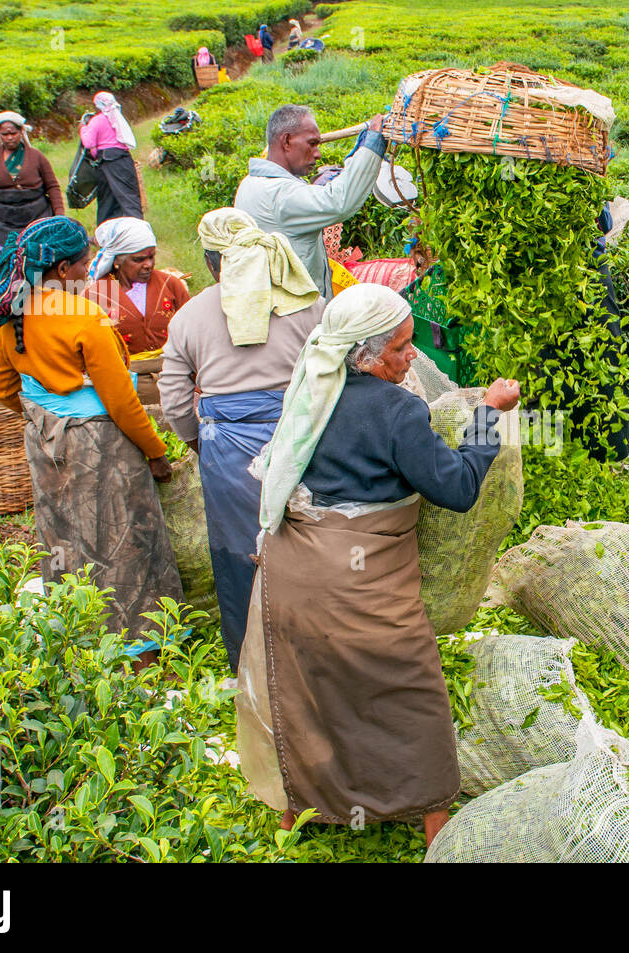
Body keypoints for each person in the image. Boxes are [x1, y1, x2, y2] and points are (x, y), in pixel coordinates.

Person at [238, 284, 520, 845]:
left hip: (291, 573)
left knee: (309, 689)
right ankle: (433, 821)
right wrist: (488, 415)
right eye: (401, 348)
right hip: (359, 581)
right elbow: (458, 488)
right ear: (363, 354)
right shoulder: (398, 410)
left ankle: (297, 811)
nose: (413, 356)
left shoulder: (309, 390)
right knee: (409, 692)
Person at [0, 217, 183, 668]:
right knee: (124, 541)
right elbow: (122, 403)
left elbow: (2, 387)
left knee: (63, 536)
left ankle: (79, 642)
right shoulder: (84, 317)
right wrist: (156, 452)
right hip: (101, 446)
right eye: (85, 262)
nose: (89, 268)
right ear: (67, 268)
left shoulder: (9, 312)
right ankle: (140, 652)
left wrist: (46, 417)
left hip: (44, 441)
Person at [158, 208, 323, 673]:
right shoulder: (304, 302)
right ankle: (316, 662)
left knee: (240, 554)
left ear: (213, 263)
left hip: (228, 455)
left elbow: (173, 401)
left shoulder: (190, 317)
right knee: (309, 544)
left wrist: (201, 444)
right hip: (301, 441)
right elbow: (333, 375)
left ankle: (254, 668)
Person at [234, 105, 386, 299]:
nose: (318, 153)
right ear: (287, 141)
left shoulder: (249, 183)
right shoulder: (279, 194)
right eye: (312, 144)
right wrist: (373, 143)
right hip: (297, 316)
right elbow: (339, 201)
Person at [82, 217, 191, 405]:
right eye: (138, 259)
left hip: (176, 381)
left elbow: (193, 330)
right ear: (117, 260)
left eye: (152, 256)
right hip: (125, 389)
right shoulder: (96, 296)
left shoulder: (171, 285)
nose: (148, 264)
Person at [0, 111, 65, 250]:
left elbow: (52, 186)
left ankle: (35, 273)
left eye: (14, 133)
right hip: (4, 222)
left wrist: (59, 215)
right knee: (10, 259)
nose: (10, 138)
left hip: (36, 217)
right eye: (5, 134)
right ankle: (14, 272)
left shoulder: (36, 156)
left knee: (36, 261)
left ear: (21, 132)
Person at [80, 91, 143, 224]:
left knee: (110, 198)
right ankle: (135, 228)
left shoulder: (97, 120)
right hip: (122, 159)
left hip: (108, 161)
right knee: (127, 195)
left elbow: (89, 143)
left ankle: (108, 231)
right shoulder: (117, 118)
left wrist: (83, 129)